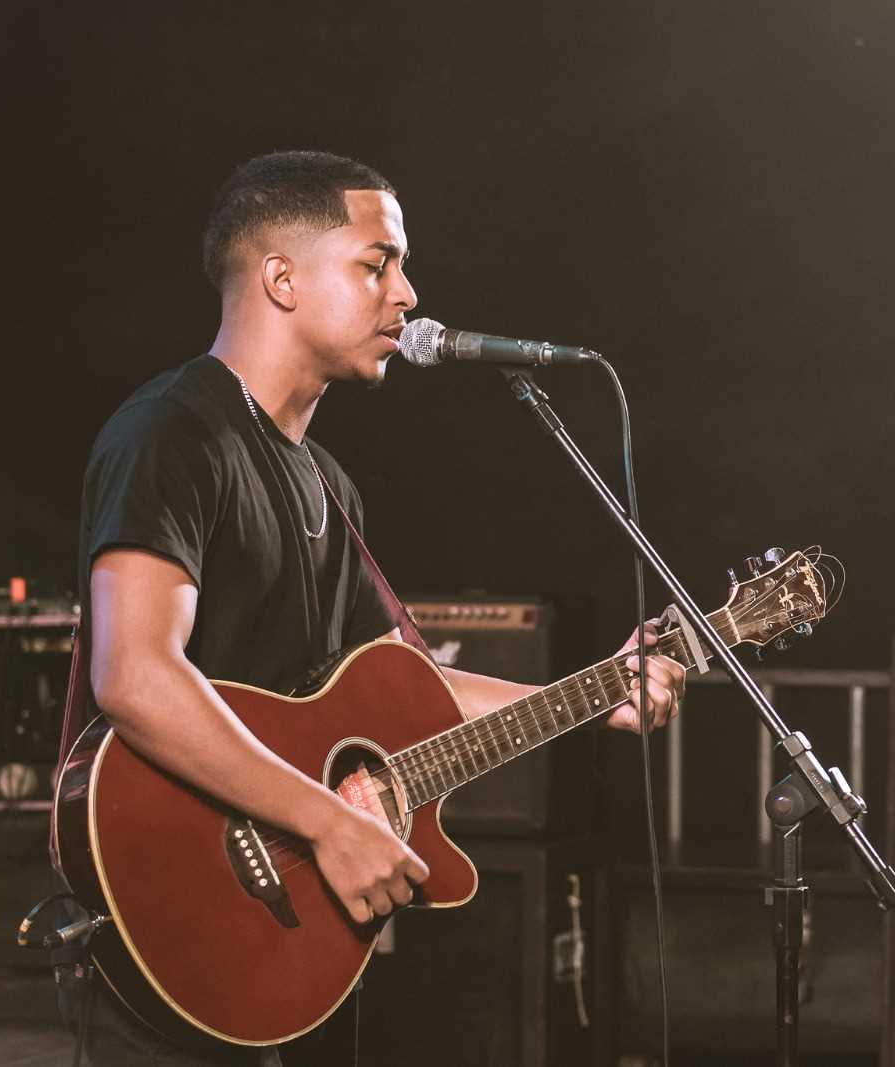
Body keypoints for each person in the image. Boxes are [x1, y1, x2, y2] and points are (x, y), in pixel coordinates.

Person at [58, 150, 686, 1064]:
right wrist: (327, 822)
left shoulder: (330, 487)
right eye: (376, 263)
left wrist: (599, 693)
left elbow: (412, 688)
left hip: (270, 937)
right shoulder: (175, 433)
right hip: (169, 901)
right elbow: (136, 676)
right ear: (281, 279)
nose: (408, 294)